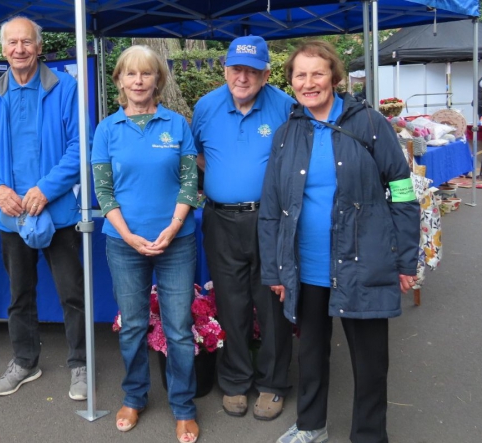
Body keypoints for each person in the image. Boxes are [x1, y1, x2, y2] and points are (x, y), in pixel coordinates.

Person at [258, 40, 420, 443]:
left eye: (317, 73)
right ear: (290, 81)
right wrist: (275, 268)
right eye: (300, 75)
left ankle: (368, 435)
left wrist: (405, 259)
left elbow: (401, 191)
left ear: (334, 77)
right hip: (306, 264)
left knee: (369, 360)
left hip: (363, 259)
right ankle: (312, 425)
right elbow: (271, 207)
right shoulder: (285, 134)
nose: (308, 82)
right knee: (311, 352)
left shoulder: (369, 123)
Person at [0, 16, 87, 400]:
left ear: (38, 47)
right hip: (11, 214)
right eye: (12, 43)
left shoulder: (65, 88)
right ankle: (24, 361)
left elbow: (79, 145)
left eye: (26, 42)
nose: (19, 49)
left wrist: (47, 189)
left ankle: (81, 365)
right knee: (20, 293)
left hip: (58, 211)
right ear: (3, 50)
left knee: (72, 292)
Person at [92, 45, 200, 443]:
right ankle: (134, 397)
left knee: (179, 328)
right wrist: (129, 235)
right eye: (130, 74)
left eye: (147, 74)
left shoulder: (177, 125)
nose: (139, 81)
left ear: (158, 79)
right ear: (119, 80)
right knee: (133, 325)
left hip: (177, 241)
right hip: (124, 243)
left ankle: (184, 407)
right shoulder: (107, 130)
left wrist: (171, 229)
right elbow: (104, 192)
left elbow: (190, 182)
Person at [190, 35, 295, 421]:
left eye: (253, 70)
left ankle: (273, 383)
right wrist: (225, 176)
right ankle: (235, 381)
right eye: (237, 69)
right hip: (220, 220)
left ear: (266, 74)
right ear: (225, 70)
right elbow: (196, 154)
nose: (243, 77)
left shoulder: (285, 106)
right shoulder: (205, 107)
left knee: (271, 303)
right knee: (231, 302)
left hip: (270, 220)